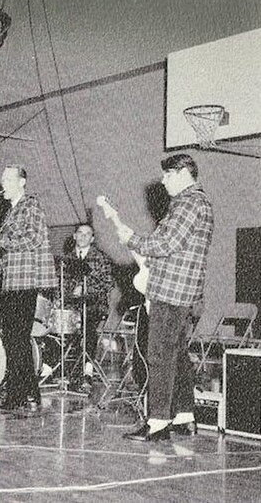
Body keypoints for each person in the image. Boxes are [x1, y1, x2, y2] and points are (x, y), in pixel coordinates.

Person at [117, 154, 214, 441]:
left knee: (159, 354)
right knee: (177, 355)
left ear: (183, 173)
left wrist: (132, 239)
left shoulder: (188, 202)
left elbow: (166, 242)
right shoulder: (200, 202)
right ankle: (185, 417)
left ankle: (157, 422)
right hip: (186, 292)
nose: (163, 180)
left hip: (171, 291)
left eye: (167, 175)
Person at [0, 166, 57, 412]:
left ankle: (17, 396)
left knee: (16, 340)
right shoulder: (12, 210)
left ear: (22, 181)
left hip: (26, 281)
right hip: (13, 280)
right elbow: (15, 250)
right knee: (17, 340)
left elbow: (33, 239)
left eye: (6, 179)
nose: (1, 183)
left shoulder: (30, 205)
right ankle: (30, 393)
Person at [64, 223, 114, 394]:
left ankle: (87, 371)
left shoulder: (101, 258)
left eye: (88, 234)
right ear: (74, 236)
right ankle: (50, 367)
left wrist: (85, 289)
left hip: (95, 305)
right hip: (73, 306)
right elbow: (63, 283)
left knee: (88, 326)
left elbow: (108, 283)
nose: (83, 236)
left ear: (92, 239)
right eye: (80, 233)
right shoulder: (67, 259)